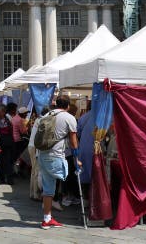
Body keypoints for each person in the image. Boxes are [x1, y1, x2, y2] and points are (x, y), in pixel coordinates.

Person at [38, 95, 80, 230]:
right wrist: (77, 157)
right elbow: (73, 141)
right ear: (68, 106)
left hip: (43, 154)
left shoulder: (47, 115)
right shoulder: (69, 118)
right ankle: (67, 198)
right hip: (56, 155)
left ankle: (47, 218)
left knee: (48, 187)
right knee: (65, 175)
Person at [0, 104, 15, 185]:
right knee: (5, 161)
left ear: (2, 111)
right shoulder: (6, 118)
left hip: (5, 141)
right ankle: (6, 178)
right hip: (5, 141)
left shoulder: (1, 119)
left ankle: (5, 178)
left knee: (5, 161)